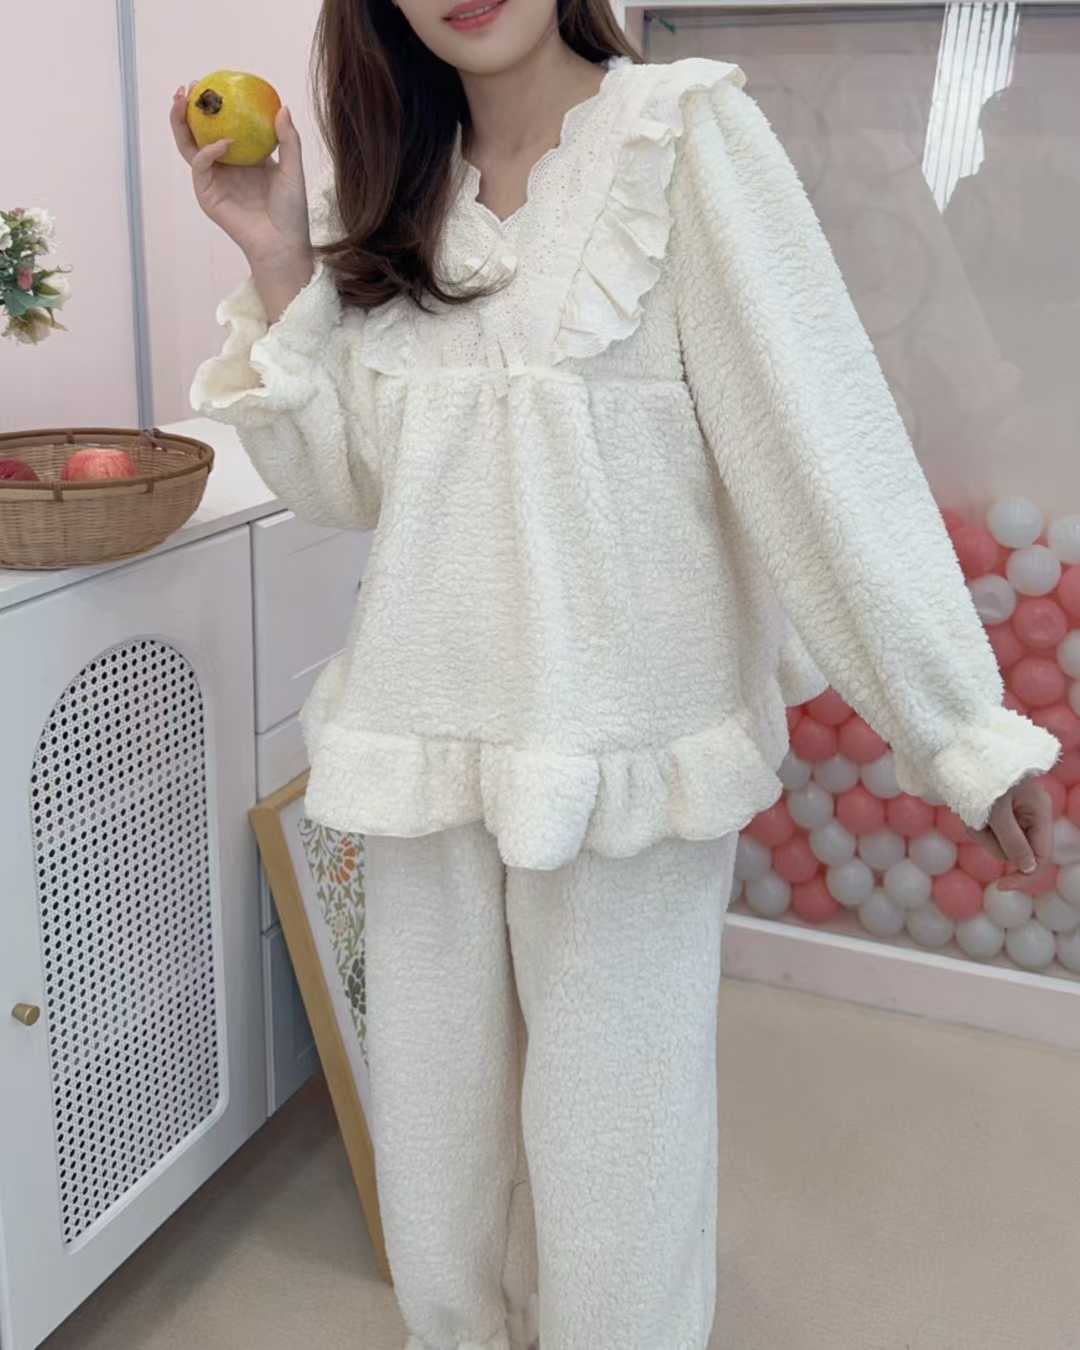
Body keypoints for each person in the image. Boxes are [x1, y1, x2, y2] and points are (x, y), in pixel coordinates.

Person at [172, 1, 1060, 1345]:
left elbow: (820, 446)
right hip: (426, 740)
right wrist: (282, 257)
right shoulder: (395, 194)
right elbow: (344, 484)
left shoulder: (683, 139)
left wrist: (953, 723)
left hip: (627, 757)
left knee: (615, 1173)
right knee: (436, 1162)